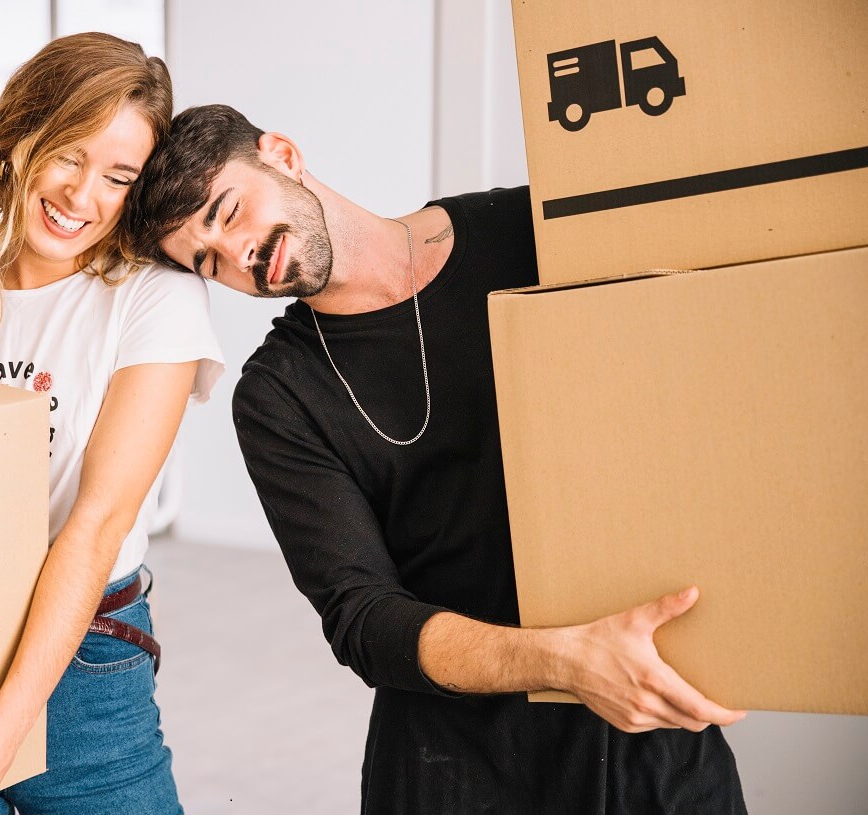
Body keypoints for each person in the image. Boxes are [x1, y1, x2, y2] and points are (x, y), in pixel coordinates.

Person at [120, 103, 747, 814]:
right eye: (207, 260)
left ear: (284, 155)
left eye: (229, 213)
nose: (240, 256)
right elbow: (364, 617)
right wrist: (567, 659)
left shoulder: (528, 228)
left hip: (649, 712)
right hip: (455, 760)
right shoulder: (278, 394)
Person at [0, 36, 223, 815]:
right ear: (23, 137)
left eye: (118, 177)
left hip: (88, 661)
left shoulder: (153, 299)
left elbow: (97, 522)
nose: (84, 197)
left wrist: (9, 720)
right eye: (69, 156)